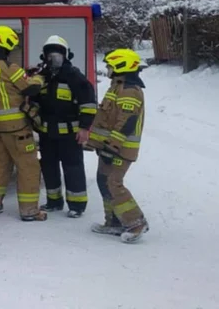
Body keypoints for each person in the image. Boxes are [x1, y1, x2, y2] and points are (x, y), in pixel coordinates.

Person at [0, 25, 46, 221]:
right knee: (29, 167)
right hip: (17, 127)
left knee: (0, 164)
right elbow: (29, 88)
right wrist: (39, 77)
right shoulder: (10, 68)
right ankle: (29, 210)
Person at [81, 48, 149, 243]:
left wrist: (112, 147)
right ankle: (114, 222)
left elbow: (125, 123)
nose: (108, 69)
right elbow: (106, 118)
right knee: (103, 181)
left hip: (120, 148)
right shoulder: (117, 87)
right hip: (108, 146)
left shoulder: (130, 91)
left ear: (121, 66)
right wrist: (96, 143)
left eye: (110, 66)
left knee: (113, 182)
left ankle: (136, 222)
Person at [32, 35, 98, 218]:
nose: (53, 59)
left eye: (58, 55)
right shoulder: (42, 77)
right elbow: (36, 102)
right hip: (47, 133)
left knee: (73, 168)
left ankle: (77, 205)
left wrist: (84, 128)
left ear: (65, 55)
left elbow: (88, 104)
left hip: (70, 134)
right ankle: (54, 201)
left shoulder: (74, 76)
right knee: (49, 168)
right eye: (50, 55)